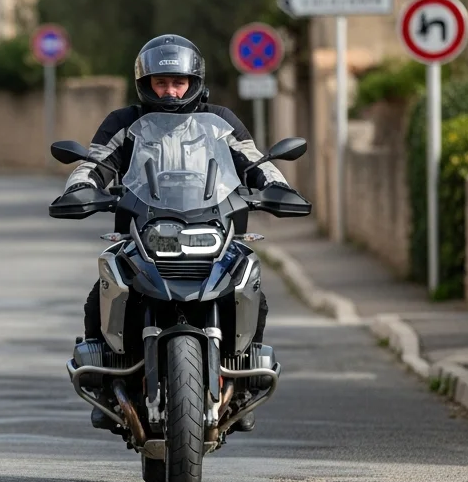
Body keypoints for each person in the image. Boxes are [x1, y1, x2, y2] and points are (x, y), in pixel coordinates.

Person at [53, 34, 292, 432]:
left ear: (193, 81)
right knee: (102, 293)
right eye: (161, 82)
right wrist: (81, 187)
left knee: (251, 291)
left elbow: (254, 162)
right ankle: (105, 382)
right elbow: (95, 163)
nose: (170, 90)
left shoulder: (220, 122)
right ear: (145, 83)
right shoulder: (124, 123)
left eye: (178, 82)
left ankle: (244, 385)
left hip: (212, 227)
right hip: (143, 230)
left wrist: (277, 186)